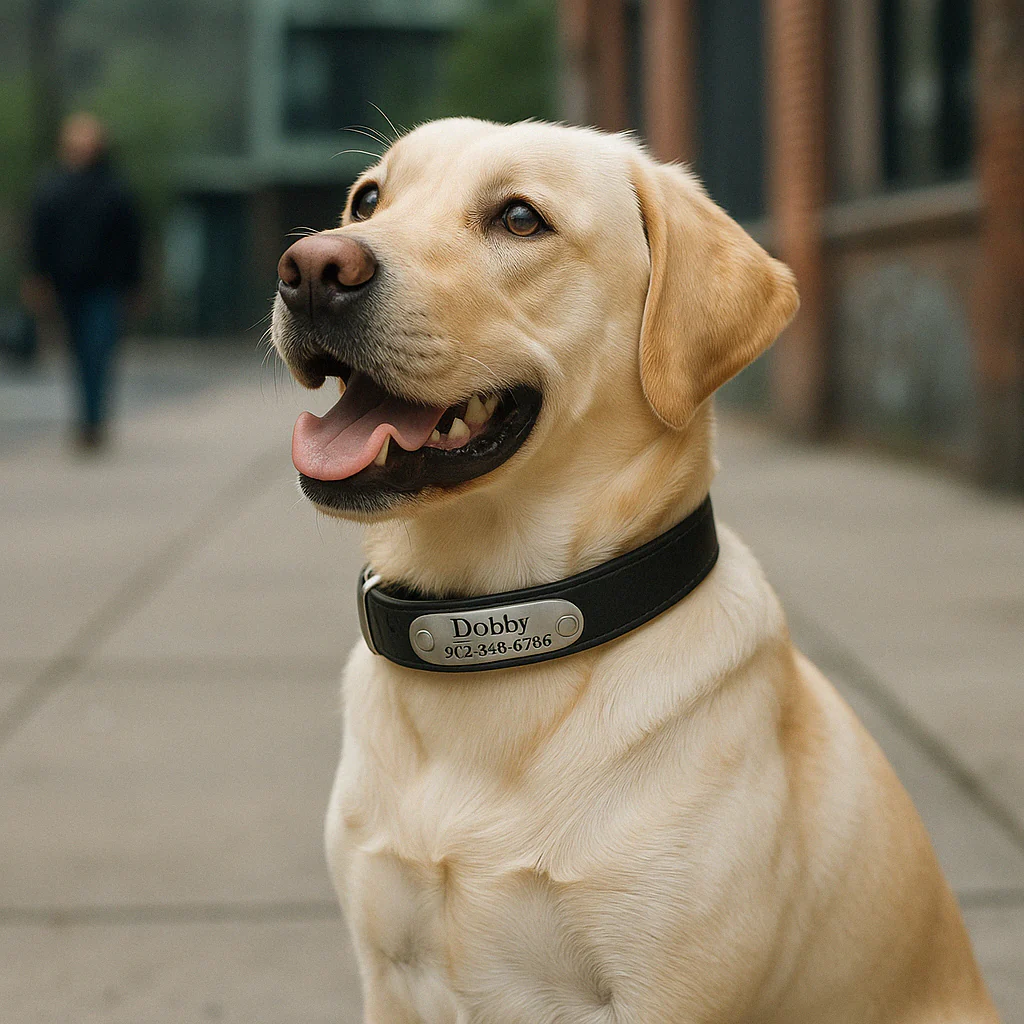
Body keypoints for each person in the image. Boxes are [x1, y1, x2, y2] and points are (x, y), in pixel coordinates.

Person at [24, 113, 142, 450]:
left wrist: (133, 284)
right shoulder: (51, 188)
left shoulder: (115, 189)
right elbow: (39, 238)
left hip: (105, 287)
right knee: (78, 353)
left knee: (98, 351)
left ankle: (93, 420)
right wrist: (38, 279)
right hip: (67, 286)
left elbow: (131, 241)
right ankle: (87, 417)